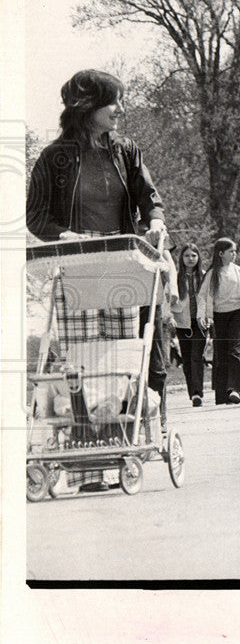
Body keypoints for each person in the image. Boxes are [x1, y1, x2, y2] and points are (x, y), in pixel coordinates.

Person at [26, 69, 171, 431]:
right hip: (79, 262)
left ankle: (121, 441)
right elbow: (36, 216)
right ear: (87, 106)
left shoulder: (126, 150)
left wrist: (154, 221)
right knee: (82, 356)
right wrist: (62, 236)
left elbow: (148, 197)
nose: (120, 109)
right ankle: (85, 452)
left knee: (121, 354)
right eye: (114, 101)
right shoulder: (53, 157)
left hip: (121, 257)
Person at [197, 238, 240, 405]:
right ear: (221, 253)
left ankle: (234, 389)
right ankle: (227, 393)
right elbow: (202, 296)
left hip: (238, 314)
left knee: (235, 351)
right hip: (219, 316)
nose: (234, 254)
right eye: (231, 251)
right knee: (221, 355)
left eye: (235, 251)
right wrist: (201, 316)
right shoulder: (212, 274)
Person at [172, 243, 207, 406]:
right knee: (186, 358)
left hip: (199, 322)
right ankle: (192, 392)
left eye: (194, 255)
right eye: (187, 255)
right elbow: (169, 298)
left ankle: (197, 393)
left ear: (198, 258)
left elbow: (209, 299)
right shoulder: (176, 277)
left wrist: (208, 316)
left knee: (196, 357)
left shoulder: (204, 276)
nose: (190, 259)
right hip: (182, 322)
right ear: (182, 258)